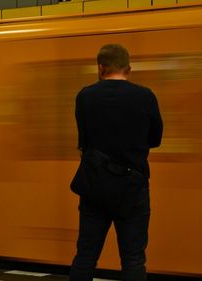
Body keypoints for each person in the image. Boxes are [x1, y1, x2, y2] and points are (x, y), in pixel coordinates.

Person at [69, 44, 163, 281]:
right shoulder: (146, 96)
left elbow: (84, 142)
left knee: (86, 256)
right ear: (128, 68)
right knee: (133, 258)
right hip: (133, 189)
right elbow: (155, 139)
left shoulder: (85, 97)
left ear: (100, 68)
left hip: (95, 188)